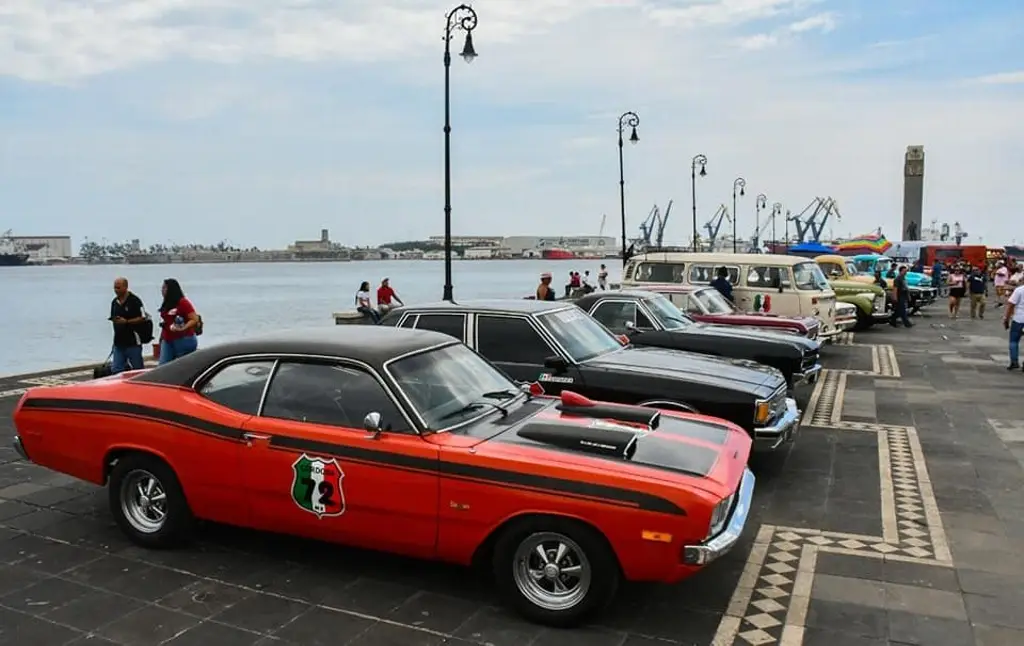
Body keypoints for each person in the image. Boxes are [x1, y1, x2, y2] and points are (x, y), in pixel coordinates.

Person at [109, 277, 147, 373]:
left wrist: (126, 321)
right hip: (118, 342)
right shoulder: (114, 302)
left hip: (133, 341)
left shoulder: (135, 300)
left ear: (125, 287)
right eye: (115, 288)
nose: (116, 290)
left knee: (137, 369)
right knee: (116, 369)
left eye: (118, 288)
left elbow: (143, 317)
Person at [158, 278, 199, 364]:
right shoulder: (166, 303)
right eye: (162, 288)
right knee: (163, 365)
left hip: (184, 338)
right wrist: (161, 338)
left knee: (183, 366)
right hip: (167, 339)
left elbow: (194, 319)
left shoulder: (183, 302)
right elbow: (166, 321)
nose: (162, 290)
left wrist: (183, 327)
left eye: (165, 288)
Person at [1003, 281, 1024, 370]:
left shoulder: (1019, 290)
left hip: (1019, 319)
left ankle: (1014, 361)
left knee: (1014, 341)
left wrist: (1006, 318)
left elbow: (1010, 304)